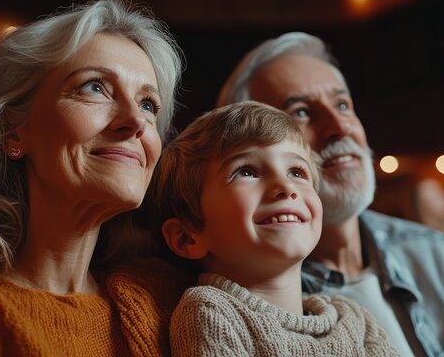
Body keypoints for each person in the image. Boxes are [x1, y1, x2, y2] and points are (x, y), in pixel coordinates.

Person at [217, 32, 444, 356]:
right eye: (301, 112)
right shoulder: (251, 303)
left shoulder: (430, 252)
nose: (340, 127)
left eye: (342, 104)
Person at [0, 0, 192, 355]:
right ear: (11, 130)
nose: (136, 121)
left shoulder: (169, 300)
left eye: (148, 104)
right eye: (94, 87)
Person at [153, 101, 399, 356]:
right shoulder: (210, 311)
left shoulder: (355, 319)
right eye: (246, 172)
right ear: (186, 238)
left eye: (296, 172)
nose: (285, 186)